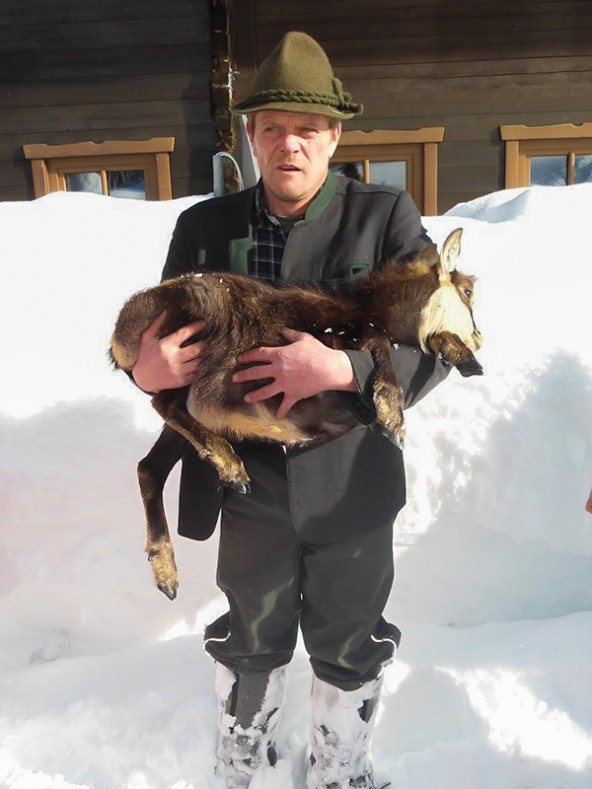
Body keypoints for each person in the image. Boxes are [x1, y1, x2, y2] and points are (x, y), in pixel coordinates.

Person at [132, 31, 450, 789]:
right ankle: (240, 759)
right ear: (251, 136)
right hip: (246, 483)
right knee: (251, 633)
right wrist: (147, 372)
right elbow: (161, 347)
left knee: (351, 634)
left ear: (334, 135)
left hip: (351, 481)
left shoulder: (384, 218)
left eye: (308, 129)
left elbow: (441, 339)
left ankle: (341, 767)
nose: (290, 144)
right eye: (272, 127)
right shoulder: (204, 230)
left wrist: (341, 367)